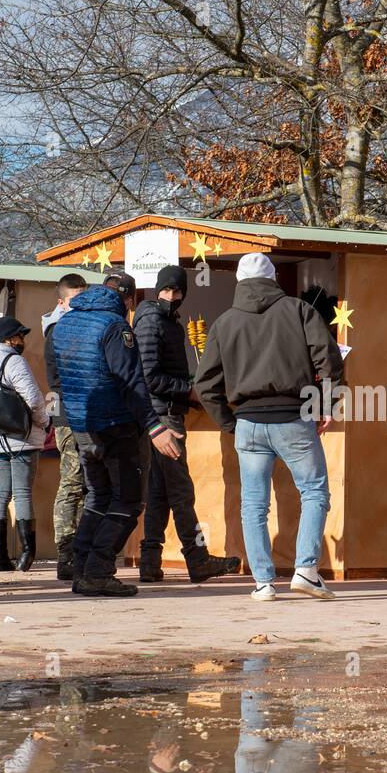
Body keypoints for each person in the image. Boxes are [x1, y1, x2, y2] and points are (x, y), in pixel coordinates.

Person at [193, 253, 343, 602]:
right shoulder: (299, 310)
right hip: (294, 417)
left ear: (240, 282)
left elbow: (205, 384)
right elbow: (328, 360)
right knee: (314, 492)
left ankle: (263, 582)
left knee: (253, 505)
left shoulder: (224, 323)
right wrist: (325, 404)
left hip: (248, 423)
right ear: (273, 278)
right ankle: (306, 570)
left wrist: (229, 422)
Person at [51, 283, 182, 597]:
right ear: (126, 300)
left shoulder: (65, 323)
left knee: (98, 496)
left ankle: (81, 567)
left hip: (80, 425)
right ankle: (98, 570)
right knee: (127, 500)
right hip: (113, 423)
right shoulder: (114, 325)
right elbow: (130, 381)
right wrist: (154, 427)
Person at [133, 264, 239, 583]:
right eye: (167, 290)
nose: (172, 296)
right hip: (163, 416)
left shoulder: (165, 320)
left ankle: (150, 560)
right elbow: (150, 377)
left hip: (165, 411)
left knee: (160, 493)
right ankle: (197, 557)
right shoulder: (153, 321)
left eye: (177, 291)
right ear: (157, 290)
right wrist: (188, 390)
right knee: (181, 491)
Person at [0, 316, 49, 572]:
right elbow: (33, 399)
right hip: (21, 438)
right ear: (8, 339)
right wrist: (44, 422)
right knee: (22, 493)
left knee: (0, 492)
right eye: (19, 336)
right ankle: (27, 553)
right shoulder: (14, 361)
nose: (22, 341)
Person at [42, 273, 87, 580]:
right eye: (76, 300)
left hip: (74, 412)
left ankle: (79, 549)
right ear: (62, 302)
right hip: (68, 414)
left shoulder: (70, 327)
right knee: (72, 481)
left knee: (84, 483)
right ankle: (66, 551)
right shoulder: (60, 331)